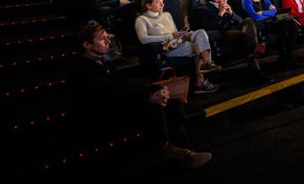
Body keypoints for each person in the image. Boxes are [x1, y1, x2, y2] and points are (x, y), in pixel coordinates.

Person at [69, 22, 213, 168]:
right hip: (104, 112)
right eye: (102, 39)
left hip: (120, 100)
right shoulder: (84, 68)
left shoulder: (103, 62)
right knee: (153, 105)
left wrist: (156, 89)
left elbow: (126, 83)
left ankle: (182, 146)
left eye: (107, 37)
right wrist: (148, 97)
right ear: (87, 45)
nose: (108, 42)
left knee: (174, 102)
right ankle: (164, 150)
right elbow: (112, 92)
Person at [135, 0, 220, 93]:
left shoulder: (167, 15)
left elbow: (174, 31)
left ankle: (206, 64)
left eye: (162, 2)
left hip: (178, 41)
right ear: (148, 5)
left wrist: (182, 34)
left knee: (200, 33)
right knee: (200, 47)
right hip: (168, 47)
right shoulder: (141, 19)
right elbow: (143, 39)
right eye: (158, 2)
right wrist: (170, 36)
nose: (162, 5)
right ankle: (202, 77)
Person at [191, 0, 266, 68]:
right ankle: (254, 50)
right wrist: (220, 13)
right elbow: (208, 26)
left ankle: (254, 49)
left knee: (248, 20)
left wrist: (232, 14)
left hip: (237, 28)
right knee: (244, 36)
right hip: (223, 33)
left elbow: (241, 21)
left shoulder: (227, 6)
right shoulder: (203, 9)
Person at [241, 0, 297, 66]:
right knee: (283, 25)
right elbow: (255, 17)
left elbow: (275, 11)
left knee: (291, 23)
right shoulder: (246, 1)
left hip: (270, 22)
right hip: (259, 25)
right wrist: (269, 13)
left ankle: (289, 55)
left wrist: (263, 12)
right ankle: (283, 56)